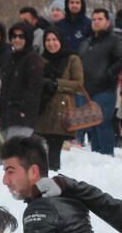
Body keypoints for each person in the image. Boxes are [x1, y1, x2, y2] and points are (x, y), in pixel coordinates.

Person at [0, 135, 105, 233]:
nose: (5, 180)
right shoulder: (63, 197)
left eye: (10, 172)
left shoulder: (40, 207)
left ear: (33, 171)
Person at [34, 27, 87, 171]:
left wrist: (57, 83)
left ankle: (54, 178)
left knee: (54, 151)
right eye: (48, 40)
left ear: (61, 41)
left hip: (61, 111)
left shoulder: (72, 59)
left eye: (54, 39)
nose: (51, 43)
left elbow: (79, 85)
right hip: (43, 110)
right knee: (41, 153)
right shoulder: (41, 59)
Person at [78, 8, 122, 155]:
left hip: (105, 89)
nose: (96, 22)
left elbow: (121, 59)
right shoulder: (86, 42)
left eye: (100, 19)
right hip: (87, 90)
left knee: (103, 123)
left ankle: (107, 156)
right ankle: (96, 157)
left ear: (107, 22)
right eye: (94, 19)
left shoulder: (114, 40)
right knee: (92, 125)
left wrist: (108, 74)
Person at [0, 21, 44, 139]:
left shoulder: (33, 59)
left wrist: (23, 111)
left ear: (28, 38)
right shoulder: (10, 58)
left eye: (21, 37)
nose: (17, 40)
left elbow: (34, 90)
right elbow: (4, 90)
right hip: (6, 118)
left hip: (22, 119)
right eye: (14, 36)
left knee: (16, 149)